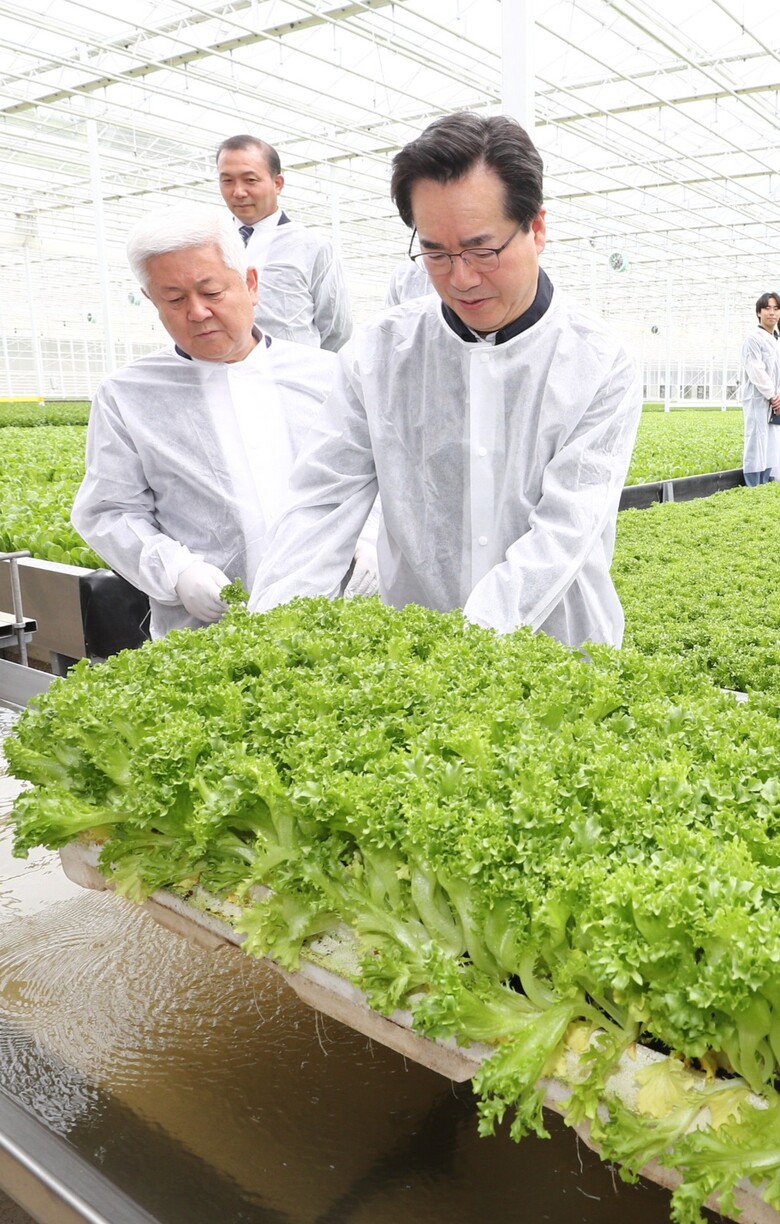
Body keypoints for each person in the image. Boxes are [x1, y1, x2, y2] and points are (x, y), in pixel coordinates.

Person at [248, 111, 642, 648]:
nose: (460, 278)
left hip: (558, 645)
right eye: (434, 251)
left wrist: (462, 649)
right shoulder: (379, 354)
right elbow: (321, 502)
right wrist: (272, 628)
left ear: (538, 228)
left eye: (483, 250)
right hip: (418, 652)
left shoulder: (597, 361)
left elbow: (563, 532)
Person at [71, 204, 372, 640]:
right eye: (174, 299)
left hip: (337, 617)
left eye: (211, 291)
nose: (196, 312)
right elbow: (109, 511)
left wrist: (373, 539)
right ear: (153, 301)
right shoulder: (128, 395)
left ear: (250, 284)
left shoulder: (328, 375)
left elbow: (378, 476)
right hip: (205, 633)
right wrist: (178, 571)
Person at [216, 134, 352, 352]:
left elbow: (337, 329)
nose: (238, 192)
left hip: (295, 376)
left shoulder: (312, 246)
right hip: (227, 374)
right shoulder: (211, 245)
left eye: (250, 180)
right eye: (227, 181)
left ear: (277, 184)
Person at [740, 291, 780, 487]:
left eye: (776, 308)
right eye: (767, 308)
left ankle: (770, 482)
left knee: (772, 443)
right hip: (759, 399)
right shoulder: (753, 339)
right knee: (757, 441)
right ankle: (754, 484)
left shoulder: (776, 339)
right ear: (758, 312)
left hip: (776, 401)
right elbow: (757, 370)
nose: (771, 312)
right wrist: (773, 396)